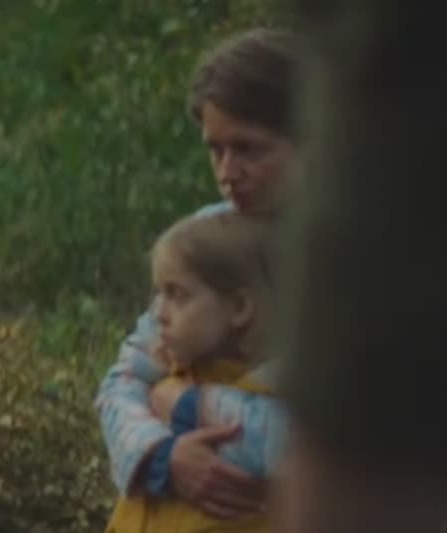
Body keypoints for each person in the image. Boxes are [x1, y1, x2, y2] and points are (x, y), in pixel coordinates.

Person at [94, 27, 298, 519]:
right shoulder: (207, 237)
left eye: (249, 149)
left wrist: (187, 405)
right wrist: (166, 458)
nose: (227, 172)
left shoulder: (363, 257)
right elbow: (125, 381)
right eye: (215, 150)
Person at [104, 211, 287, 533]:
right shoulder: (165, 372)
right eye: (158, 293)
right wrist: (162, 455)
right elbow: (117, 386)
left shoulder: (276, 394)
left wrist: (188, 406)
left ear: (239, 308)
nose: (159, 313)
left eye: (177, 295)